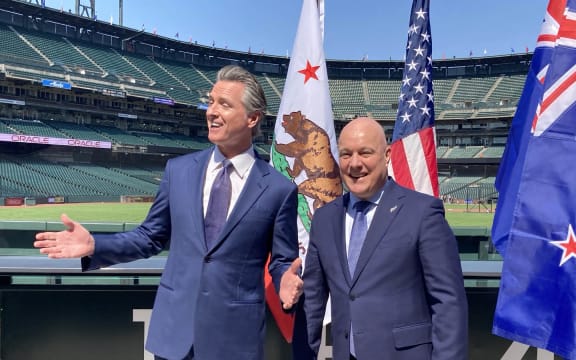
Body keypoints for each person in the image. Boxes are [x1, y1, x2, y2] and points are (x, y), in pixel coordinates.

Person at [34, 65, 303, 360]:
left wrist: (285, 281)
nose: (211, 111)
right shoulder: (179, 171)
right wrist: (96, 245)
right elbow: (150, 237)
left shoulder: (278, 189)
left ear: (252, 118)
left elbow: (281, 261)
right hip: (174, 336)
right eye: (211, 101)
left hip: (235, 341)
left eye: (224, 104)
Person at [295, 117, 468, 360]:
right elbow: (312, 300)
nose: (355, 163)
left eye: (365, 153)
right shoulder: (324, 219)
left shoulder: (422, 213)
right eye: (346, 154)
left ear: (386, 155)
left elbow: (448, 302)